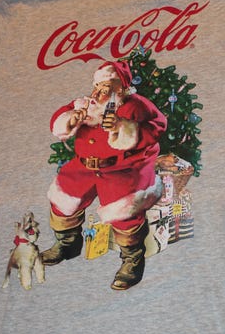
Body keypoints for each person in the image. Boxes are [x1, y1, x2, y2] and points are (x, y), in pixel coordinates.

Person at [42, 61, 167, 290]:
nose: (100, 91)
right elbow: (58, 119)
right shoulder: (84, 104)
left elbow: (158, 125)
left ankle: (132, 259)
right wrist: (71, 119)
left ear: (122, 88)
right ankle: (67, 244)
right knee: (63, 199)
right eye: (98, 86)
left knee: (124, 215)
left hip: (121, 170)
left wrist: (124, 128)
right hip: (83, 167)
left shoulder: (136, 105)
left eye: (107, 86)